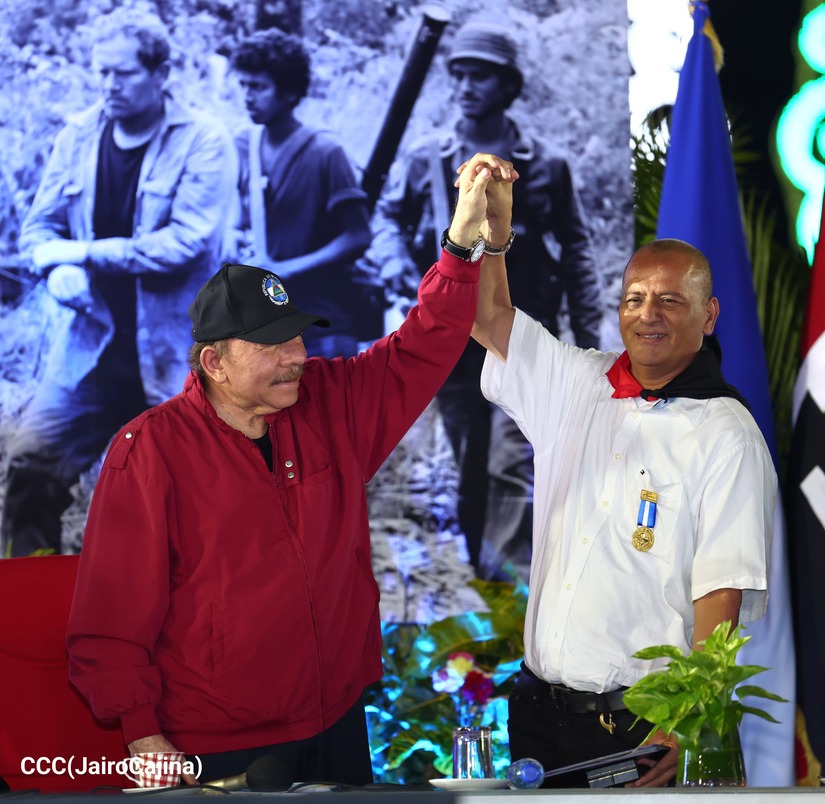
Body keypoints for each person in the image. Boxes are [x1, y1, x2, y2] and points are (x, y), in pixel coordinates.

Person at [65, 154, 516, 787]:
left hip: (336, 721)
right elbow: (111, 612)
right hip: (216, 745)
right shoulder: (149, 450)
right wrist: (142, 731)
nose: (296, 357)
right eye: (273, 345)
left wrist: (462, 246)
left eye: (298, 337)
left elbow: (425, 343)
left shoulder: (332, 400)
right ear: (214, 363)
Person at [466, 154, 776, 787]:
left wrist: (693, 715)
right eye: (635, 299)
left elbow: (723, 590)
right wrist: (492, 239)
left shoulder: (726, 432)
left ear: (709, 315)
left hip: (646, 727)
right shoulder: (576, 382)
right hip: (538, 718)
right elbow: (488, 318)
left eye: (670, 300)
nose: (648, 314)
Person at [368, 21, 602, 581]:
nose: (467, 86)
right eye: (460, 75)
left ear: (509, 86)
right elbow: (385, 221)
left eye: (482, 76)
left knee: (511, 460)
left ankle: (513, 586)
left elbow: (576, 249)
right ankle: (486, 578)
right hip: (451, 339)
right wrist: (398, 268)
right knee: (470, 464)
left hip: (522, 336)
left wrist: (590, 337)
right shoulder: (429, 158)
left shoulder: (546, 164)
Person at [1, 10, 237, 557]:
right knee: (31, 464)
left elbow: (186, 243)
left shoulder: (204, 140)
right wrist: (57, 268)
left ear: (160, 74)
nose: (109, 85)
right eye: (102, 72)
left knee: (186, 498)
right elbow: (39, 229)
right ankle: (35, 597)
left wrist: (81, 253)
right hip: (91, 346)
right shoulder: (79, 134)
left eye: (123, 73)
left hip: (179, 353)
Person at [226, 28, 373, 360]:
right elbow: (238, 215)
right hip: (263, 320)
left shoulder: (326, 152)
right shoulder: (242, 145)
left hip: (323, 319)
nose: (248, 96)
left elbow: (358, 236)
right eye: (244, 85)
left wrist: (287, 269)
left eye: (259, 87)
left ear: (290, 93)